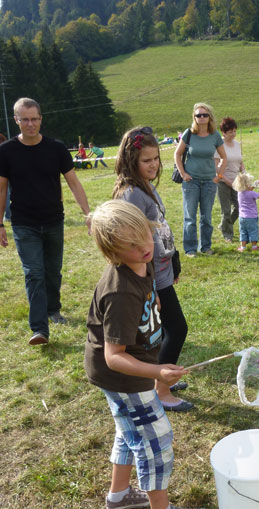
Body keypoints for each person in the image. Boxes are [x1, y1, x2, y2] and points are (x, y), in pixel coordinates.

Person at [85, 199, 208, 509]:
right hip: (124, 376)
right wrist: (156, 374)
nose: (144, 248)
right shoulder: (120, 291)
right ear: (113, 251)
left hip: (134, 371)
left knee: (130, 432)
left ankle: (120, 495)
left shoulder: (144, 263)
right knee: (155, 439)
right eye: (132, 245)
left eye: (145, 237)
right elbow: (114, 356)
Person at [0, 97, 92, 346]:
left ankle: (53, 308)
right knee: (34, 273)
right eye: (25, 119)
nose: (30, 124)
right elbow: (1, 190)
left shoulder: (56, 148)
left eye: (34, 119)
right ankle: (40, 329)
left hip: (53, 220)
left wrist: (87, 213)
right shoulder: (6, 151)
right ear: (16, 120)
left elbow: (73, 182)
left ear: (41, 119)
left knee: (52, 271)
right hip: (23, 222)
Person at [112, 126, 192, 413]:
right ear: (131, 160)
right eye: (147, 160)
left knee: (163, 331)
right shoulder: (131, 194)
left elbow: (160, 228)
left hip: (161, 270)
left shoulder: (146, 186)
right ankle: (161, 388)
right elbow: (132, 244)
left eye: (156, 158)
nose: (154, 165)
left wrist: (174, 258)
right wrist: (151, 287)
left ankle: (162, 377)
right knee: (176, 329)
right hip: (149, 277)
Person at [174, 102, 227, 257]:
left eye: (205, 115)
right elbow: (177, 154)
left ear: (209, 117)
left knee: (207, 217)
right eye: (199, 115)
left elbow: (224, 157)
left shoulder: (215, 135)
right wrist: (183, 173)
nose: (202, 118)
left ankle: (206, 247)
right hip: (191, 181)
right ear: (194, 118)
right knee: (190, 217)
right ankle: (190, 249)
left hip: (210, 182)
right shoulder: (189, 133)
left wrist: (219, 176)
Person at [214, 117, 243, 243]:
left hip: (236, 182)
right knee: (225, 210)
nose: (233, 134)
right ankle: (228, 235)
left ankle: (224, 225)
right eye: (230, 132)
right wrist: (224, 179)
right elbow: (215, 166)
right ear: (224, 133)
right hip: (222, 182)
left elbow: (240, 162)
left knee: (239, 207)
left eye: (235, 131)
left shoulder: (237, 145)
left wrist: (244, 173)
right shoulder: (219, 145)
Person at [234, 172, 259, 252]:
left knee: (243, 232)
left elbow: (247, 191)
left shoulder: (239, 193)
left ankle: (243, 247)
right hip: (251, 217)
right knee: (253, 231)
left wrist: (252, 187)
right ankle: (254, 246)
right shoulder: (251, 194)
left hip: (242, 217)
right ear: (247, 184)